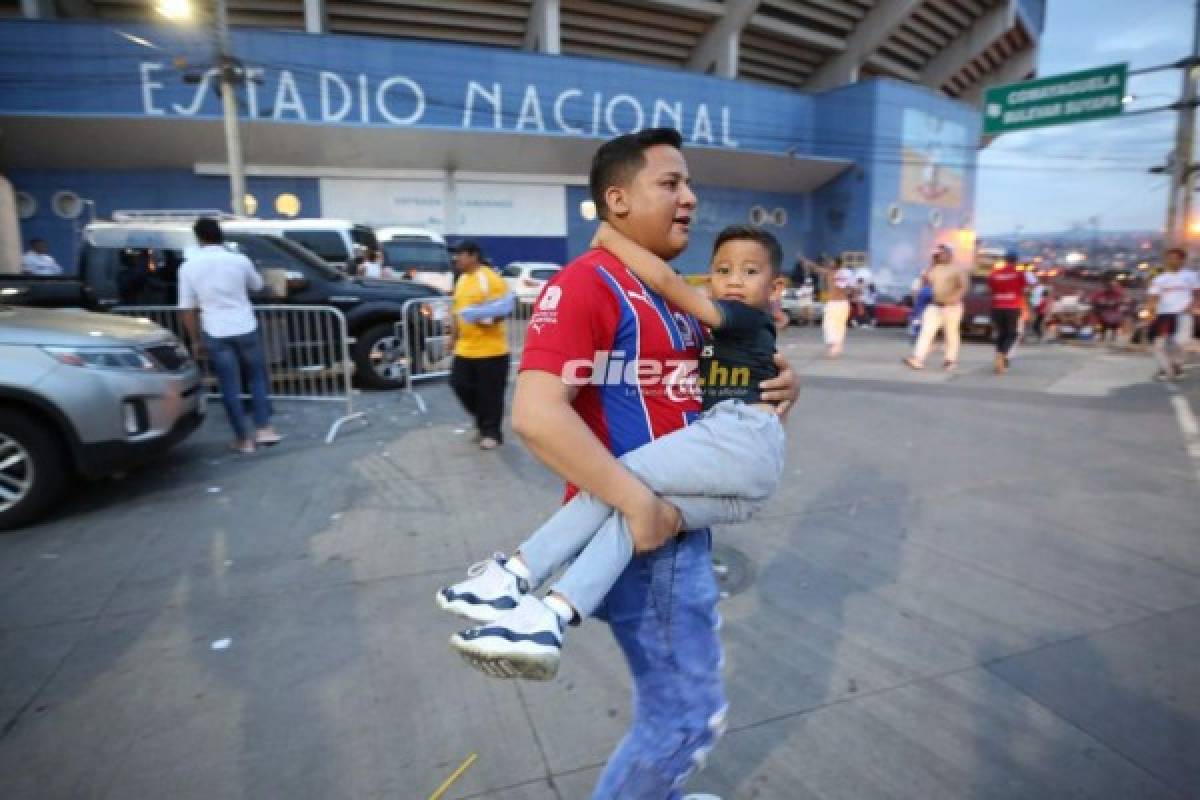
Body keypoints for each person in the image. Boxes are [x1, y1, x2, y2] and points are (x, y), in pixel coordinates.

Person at [442, 128, 797, 798]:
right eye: (670, 183)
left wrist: (785, 384)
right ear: (618, 199)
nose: (690, 197)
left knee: (678, 714)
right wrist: (639, 505)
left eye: (689, 183)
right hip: (644, 540)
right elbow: (537, 416)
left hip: (674, 524)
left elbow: (722, 385)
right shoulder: (587, 284)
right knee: (686, 720)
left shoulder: (671, 297)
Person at [442, 222, 788, 682]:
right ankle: (550, 618)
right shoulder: (726, 332)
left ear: (775, 286)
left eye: (749, 271)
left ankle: (515, 575)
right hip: (749, 470)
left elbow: (668, 283)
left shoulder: (740, 317)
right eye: (723, 270)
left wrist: (612, 239)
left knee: (617, 479)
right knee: (632, 512)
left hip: (739, 437)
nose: (734, 280)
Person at [178, 217, 281, 454]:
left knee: (229, 385)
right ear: (220, 234)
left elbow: (187, 309)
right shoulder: (239, 260)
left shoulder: (188, 267)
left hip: (215, 329)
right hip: (245, 325)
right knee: (257, 377)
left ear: (199, 238)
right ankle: (264, 428)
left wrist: (195, 340)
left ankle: (243, 439)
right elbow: (256, 286)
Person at [448, 240, 514, 450]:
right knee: (459, 384)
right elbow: (456, 310)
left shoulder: (490, 279)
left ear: (473, 256)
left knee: (491, 394)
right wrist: (452, 337)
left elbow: (501, 312)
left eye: (460, 254)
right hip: (465, 350)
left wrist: (480, 317)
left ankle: (492, 432)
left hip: (491, 351)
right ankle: (482, 421)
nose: (456, 258)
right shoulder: (461, 280)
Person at [904, 244, 966, 371]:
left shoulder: (956, 270)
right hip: (935, 305)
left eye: (943, 253)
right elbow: (924, 281)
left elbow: (962, 286)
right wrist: (933, 263)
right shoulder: (935, 269)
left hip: (952, 307)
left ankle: (950, 360)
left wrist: (955, 297)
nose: (940, 255)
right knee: (926, 332)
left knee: (951, 334)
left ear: (949, 255)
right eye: (939, 253)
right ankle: (917, 358)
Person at [1146, 247, 1200, 381]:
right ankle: (1164, 369)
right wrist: (1151, 312)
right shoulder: (1160, 278)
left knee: (1180, 342)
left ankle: (1177, 365)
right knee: (1159, 344)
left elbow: (1197, 294)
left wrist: (1193, 306)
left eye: (1176, 258)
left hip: (1183, 314)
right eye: (1170, 258)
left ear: (1182, 260)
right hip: (1164, 315)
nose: (1172, 261)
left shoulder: (1190, 276)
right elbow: (1153, 297)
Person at [988, 249, 1028, 375]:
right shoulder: (1019, 273)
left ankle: (999, 355)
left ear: (1004, 259)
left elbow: (991, 288)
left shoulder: (994, 273)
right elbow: (1023, 288)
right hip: (1012, 306)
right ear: (1016, 260)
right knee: (1012, 333)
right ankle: (1003, 354)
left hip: (997, 306)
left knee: (1001, 333)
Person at [816, 255, 853, 357]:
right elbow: (818, 269)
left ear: (836, 263)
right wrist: (806, 262)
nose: (829, 263)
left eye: (831, 262)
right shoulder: (830, 273)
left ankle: (836, 347)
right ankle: (835, 346)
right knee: (828, 325)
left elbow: (848, 288)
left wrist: (841, 283)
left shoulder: (843, 274)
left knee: (837, 326)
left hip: (840, 304)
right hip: (833, 304)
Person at [1089, 277, 1126, 343]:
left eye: (1113, 286)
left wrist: (1117, 302)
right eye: (1110, 286)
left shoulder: (1117, 293)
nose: (1111, 288)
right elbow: (1093, 299)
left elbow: (1121, 299)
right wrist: (1100, 302)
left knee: (1118, 317)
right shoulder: (1100, 292)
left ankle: (1113, 335)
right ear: (1107, 286)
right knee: (1102, 318)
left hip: (1113, 311)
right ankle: (1101, 335)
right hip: (1101, 310)